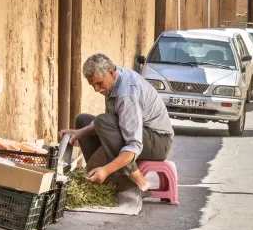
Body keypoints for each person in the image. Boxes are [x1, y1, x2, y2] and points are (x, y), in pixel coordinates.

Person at [60, 53, 174, 193]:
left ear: (111, 72)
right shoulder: (113, 84)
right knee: (83, 120)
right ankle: (100, 177)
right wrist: (78, 133)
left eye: (99, 83)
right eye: (92, 85)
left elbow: (134, 144)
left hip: (158, 140)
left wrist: (106, 170)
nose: (96, 89)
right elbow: (113, 121)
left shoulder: (126, 95)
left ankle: (137, 181)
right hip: (140, 132)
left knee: (102, 121)